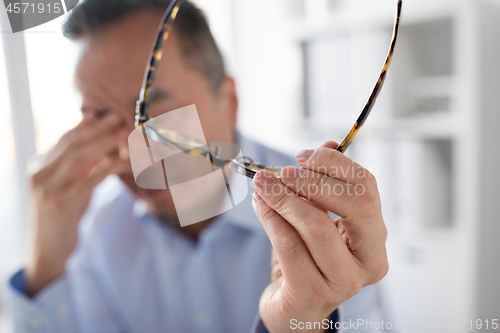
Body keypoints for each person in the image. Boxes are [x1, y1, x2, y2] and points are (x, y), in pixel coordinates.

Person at [7, 1, 389, 332]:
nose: (129, 153)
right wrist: (45, 268)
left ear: (229, 99)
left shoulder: (328, 217)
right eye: (98, 116)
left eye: (154, 107)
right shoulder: (93, 234)